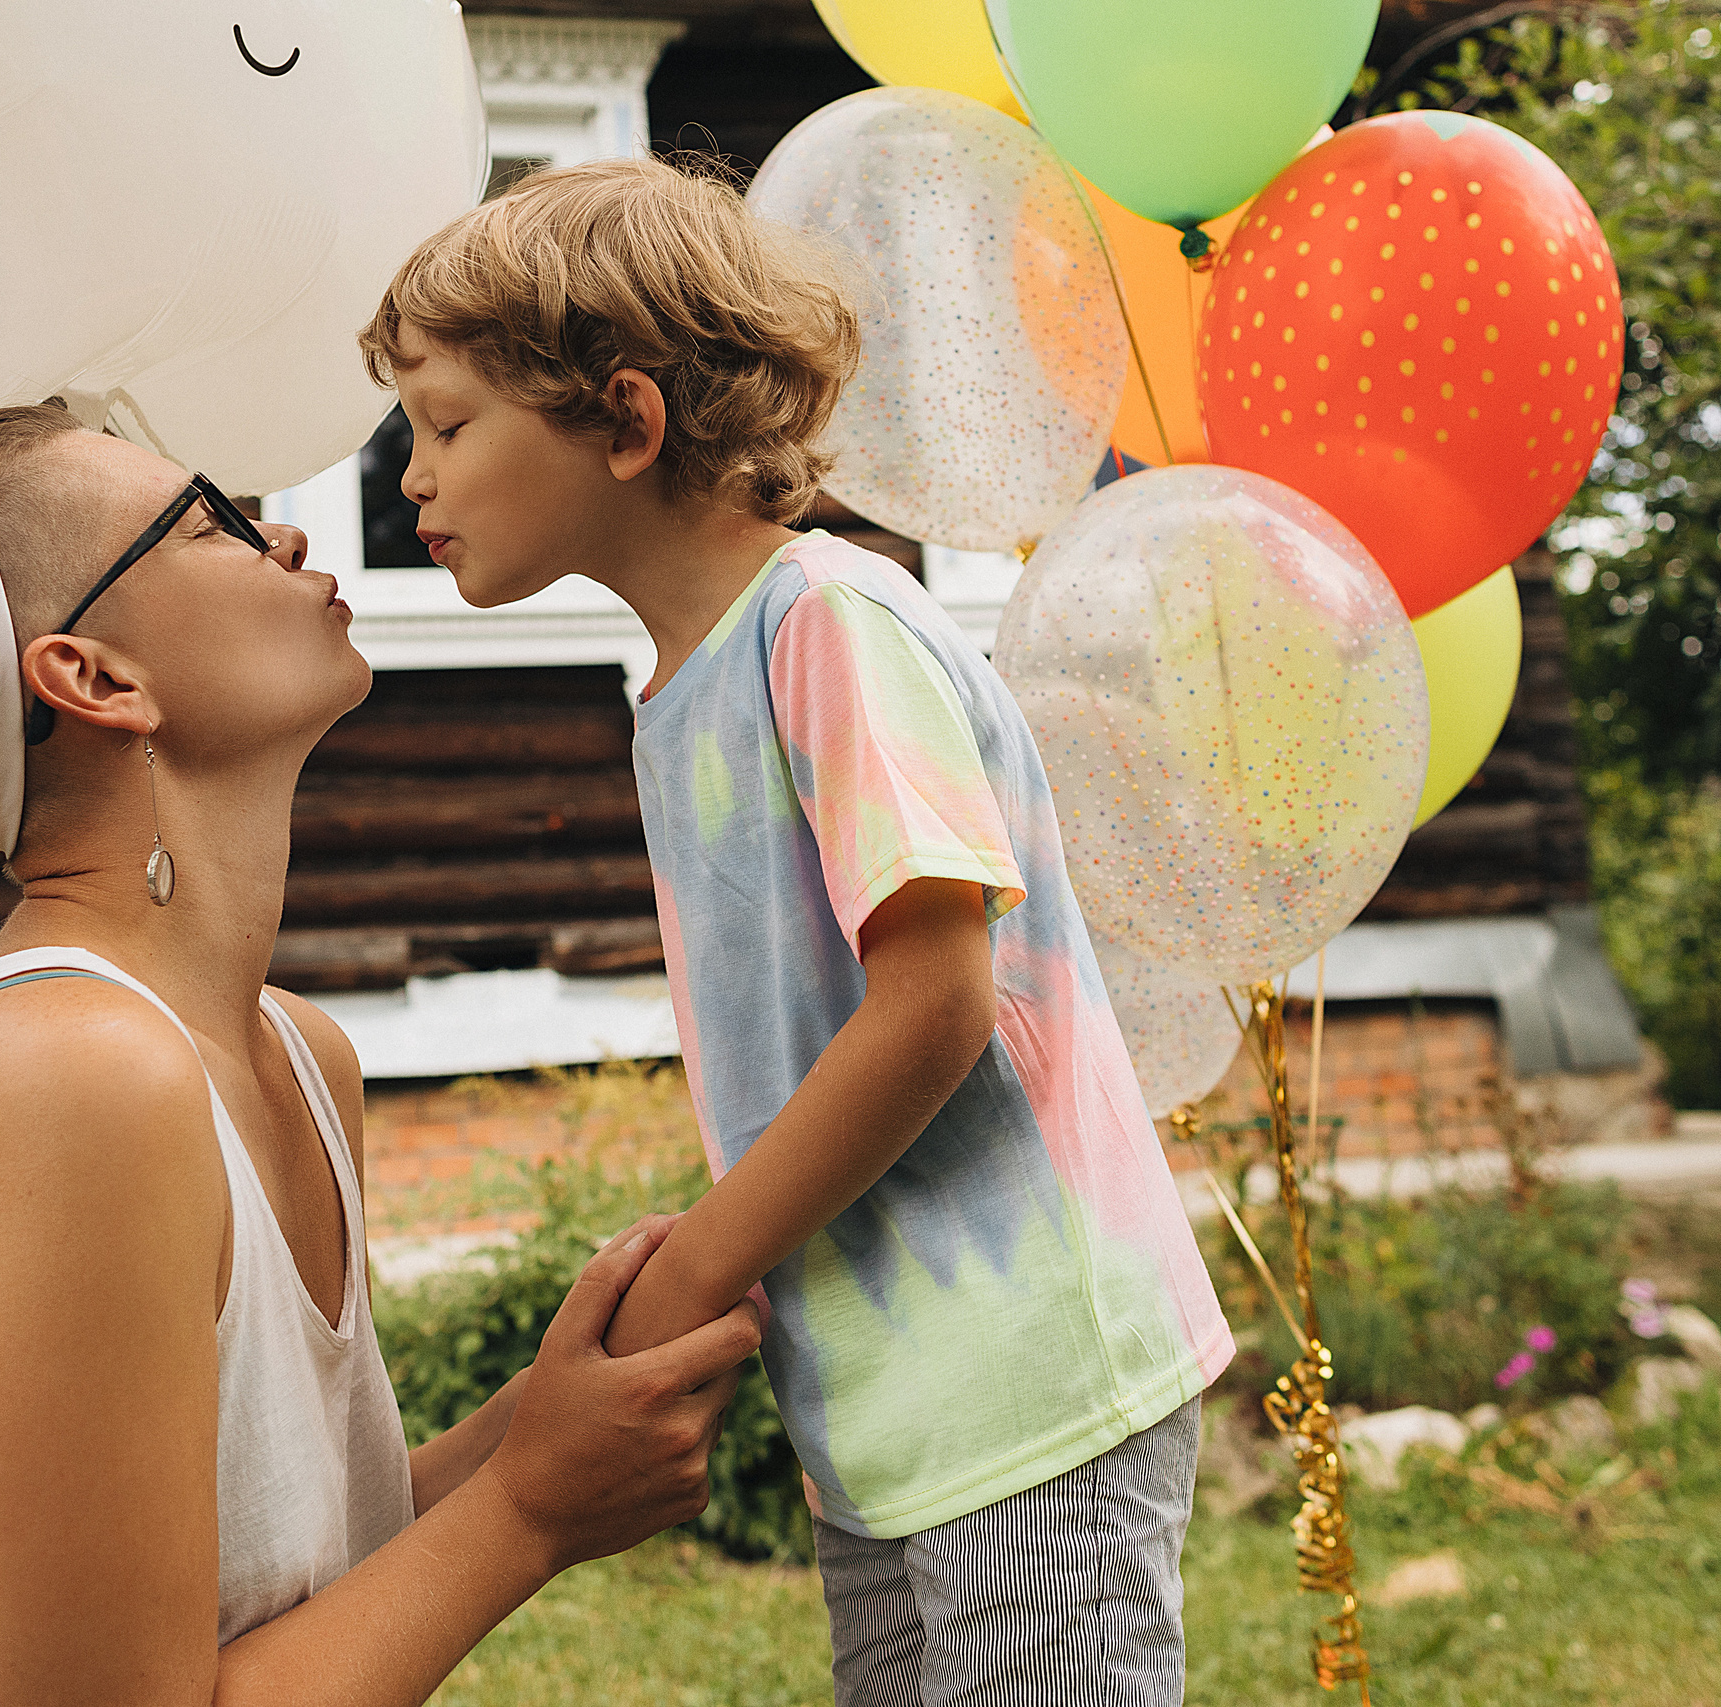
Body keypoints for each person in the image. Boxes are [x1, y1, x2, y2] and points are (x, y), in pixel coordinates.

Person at [360, 157, 1235, 1707]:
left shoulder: (828, 620)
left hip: (1031, 1365)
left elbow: (936, 1004)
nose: (410, 480)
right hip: (893, 1398)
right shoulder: (681, 690)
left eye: (444, 425)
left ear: (624, 421)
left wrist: (704, 1261)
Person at [0, 402, 762, 1707]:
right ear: (95, 678)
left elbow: (287, 1581)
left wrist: (546, 1415)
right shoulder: (66, 1078)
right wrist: (531, 1505)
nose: (283, 535)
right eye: (212, 522)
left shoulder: (298, 1054)